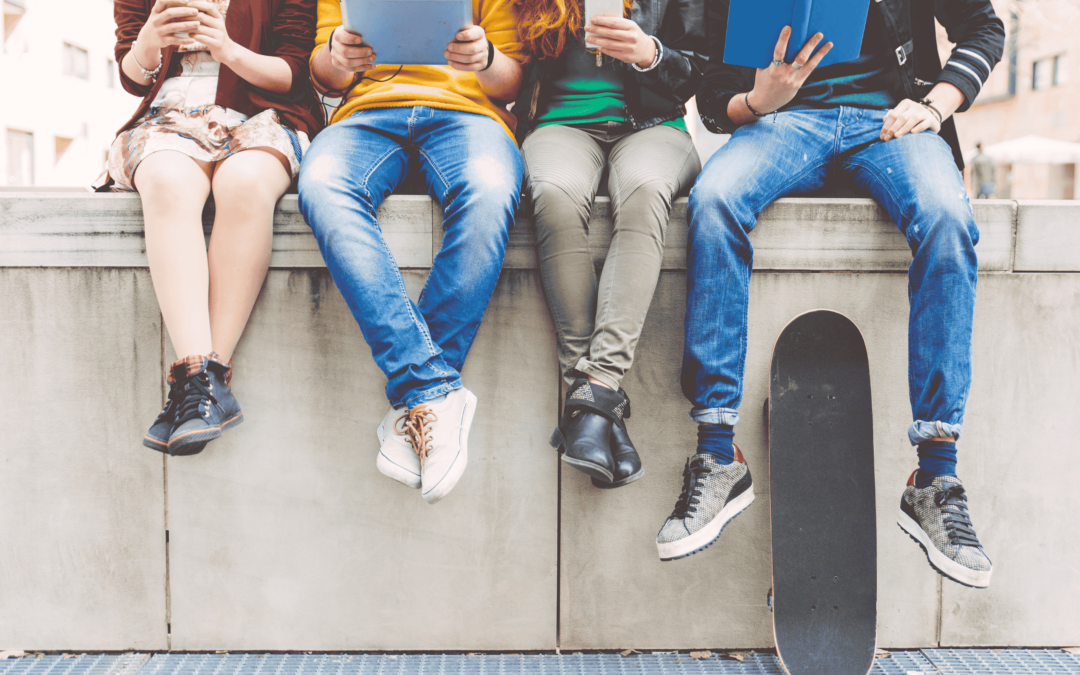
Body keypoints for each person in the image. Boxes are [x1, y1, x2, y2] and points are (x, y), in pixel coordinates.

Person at [655, 0, 1004, 590]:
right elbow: (715, 97)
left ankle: (934, 480)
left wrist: (934, 103)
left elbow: (983, 27)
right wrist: (759, 99)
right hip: (784, 123)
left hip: (892, 123)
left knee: (947, 219)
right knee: (713, 204)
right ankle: (718, 455)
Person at [297, 0, 526, 504]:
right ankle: (432, 390)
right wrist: (338, 56)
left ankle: (417, 398)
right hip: (366, 114)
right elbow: (322, 74)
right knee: (322, 186)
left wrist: (484, 58)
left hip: (469, 115)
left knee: (489, 191)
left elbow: (512, 80)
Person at [109, 0, 323, 456]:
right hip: (168, 117)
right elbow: (131, 76)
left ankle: (204, 380)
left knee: (245, 184)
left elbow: (295, 72)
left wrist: (226, 48)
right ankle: (203, 386)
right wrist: (150, 36)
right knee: (166, 183)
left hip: (264, 112)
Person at [512, 0, 705, 488]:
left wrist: (651, 54)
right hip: (558, 124)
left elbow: (703, 73)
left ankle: (594, 387)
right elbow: (508, 64)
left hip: (654, 127)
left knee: (644, 193)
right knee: (553, 195)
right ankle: (597, 401)